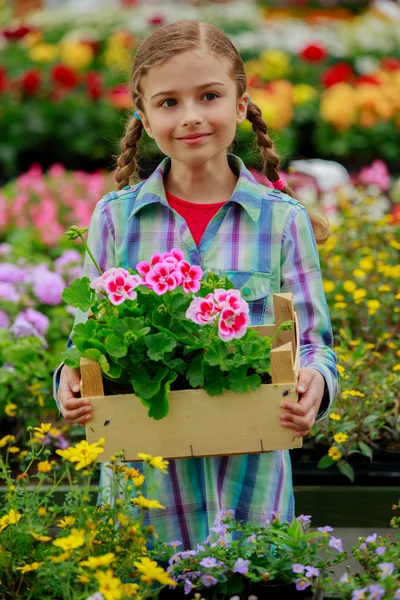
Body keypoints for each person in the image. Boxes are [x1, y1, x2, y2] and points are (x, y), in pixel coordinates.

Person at [54, 20, 339, 549]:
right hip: (144, 486)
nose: (190, 117)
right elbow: (85, 340)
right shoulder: (117, 219)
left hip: (249, 486)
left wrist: (315, 384)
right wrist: (70, 381)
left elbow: (313, 342)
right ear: (143, 116)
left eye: (209, 96)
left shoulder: (282, 221)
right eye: (167, 103)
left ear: (239, 104)